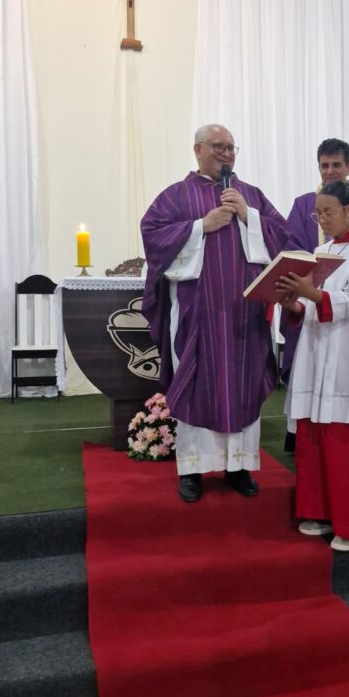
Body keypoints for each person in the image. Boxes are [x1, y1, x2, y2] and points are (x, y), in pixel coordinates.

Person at [141, 125, 289, 502]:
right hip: (198, 315)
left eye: (231, 148)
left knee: (243, 384)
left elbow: (283, 236)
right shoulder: (176, 196)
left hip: (245, 317)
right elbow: (152, 234)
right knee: (195, 386)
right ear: (197, 150)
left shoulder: (250, 194)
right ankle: (192, 470)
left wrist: (248, 216)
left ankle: (238, 467)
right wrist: (199, 227)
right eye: (218, 147)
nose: (226, 154)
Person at [277, 181, 349, 552]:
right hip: (318, 353)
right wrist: (293, 303)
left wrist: (309, 293)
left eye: (329, 212)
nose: (323, 220)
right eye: (318, 214)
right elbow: (311, 307)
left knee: (345, 441)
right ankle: (321, 511)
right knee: (315, 436)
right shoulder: (319, 252)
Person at [282, 138, 349, 452]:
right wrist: (297, 296)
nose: (329, 171)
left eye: (336, 165)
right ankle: (299, 433)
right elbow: (293, 248)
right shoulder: (304, 207)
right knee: (311, 376)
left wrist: (314, 293)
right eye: (324, 165)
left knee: (345, 391)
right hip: (317, 318)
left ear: (348, 167)